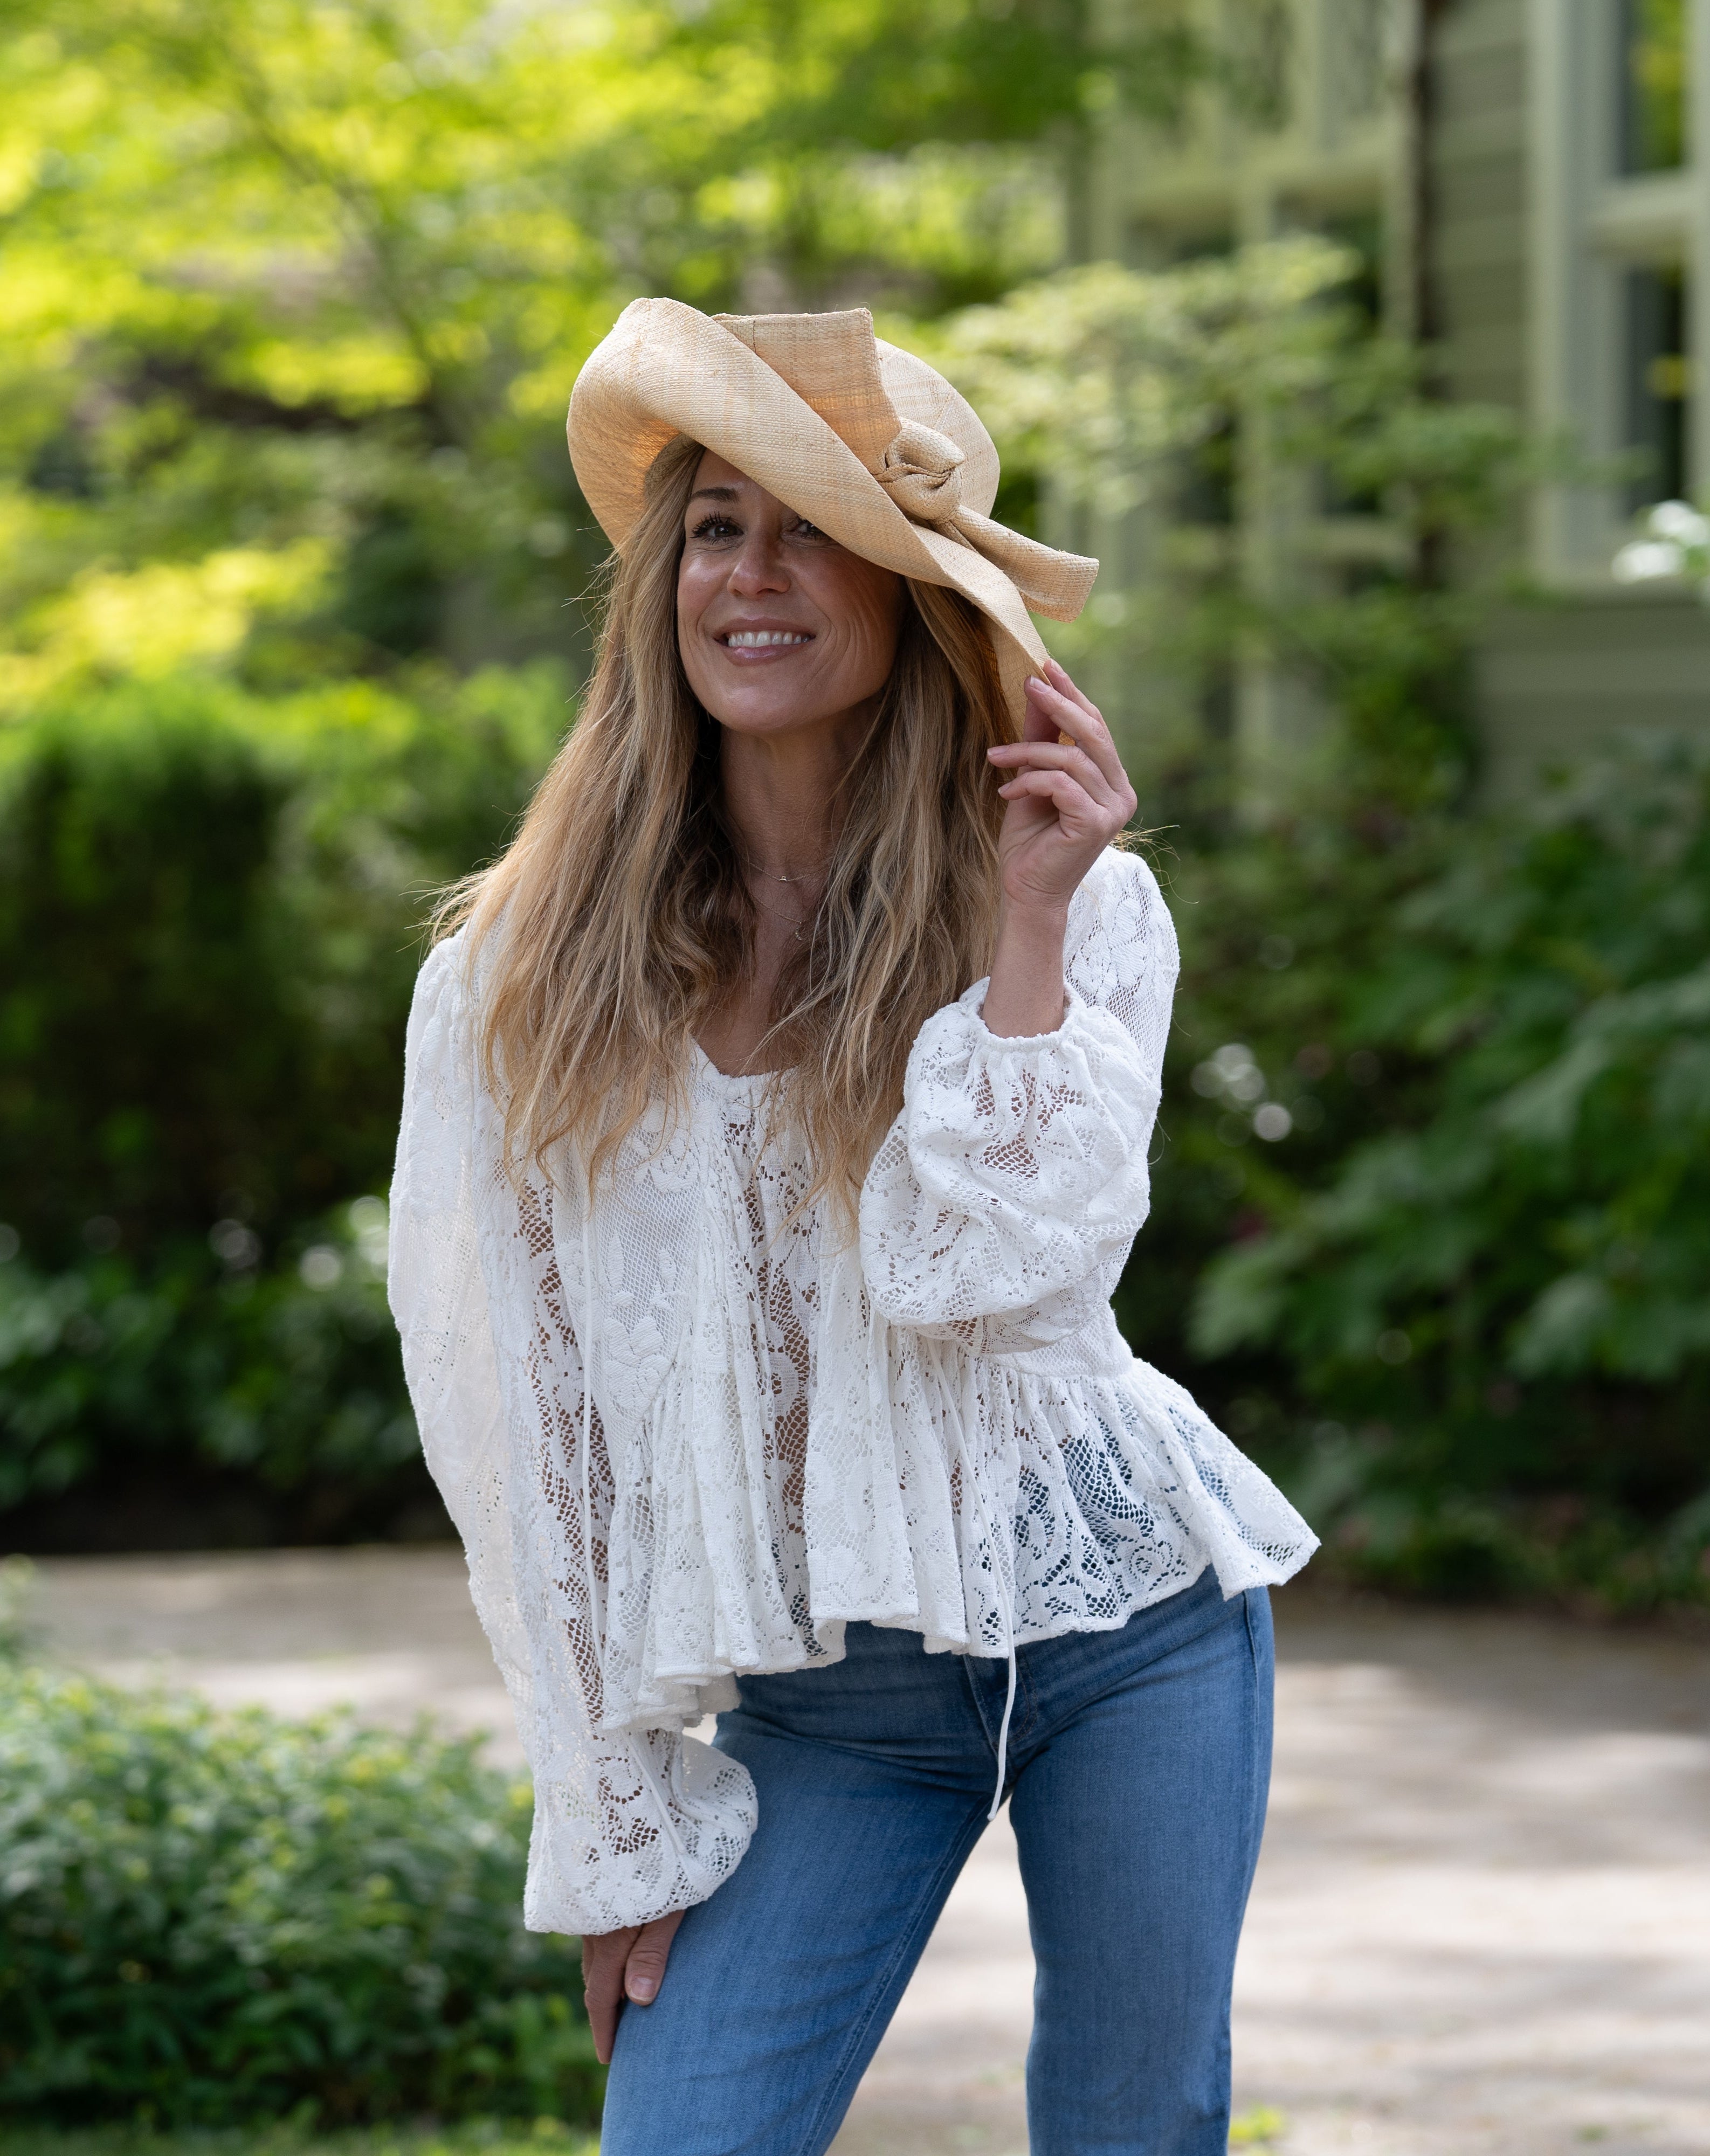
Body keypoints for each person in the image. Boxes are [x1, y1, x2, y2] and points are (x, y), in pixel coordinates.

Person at [388, 299, 1316, 2156]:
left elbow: (992, 1281)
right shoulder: (519, 972)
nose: (752, 576)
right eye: (716, 527)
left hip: (1123, 1627)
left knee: (1136, 2125)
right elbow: (529, 1434)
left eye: (813, 532)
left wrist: (1028, 931)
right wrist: (616, 1826)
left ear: (909, 596)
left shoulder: (1079, 908)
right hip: (831, 1701)